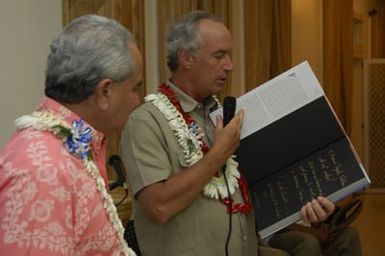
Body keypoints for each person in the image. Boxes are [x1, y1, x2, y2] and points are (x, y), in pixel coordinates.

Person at [121, 10, 334, 256]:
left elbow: (255, 194)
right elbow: (158, 206)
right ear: (186, 58)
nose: (230, 66)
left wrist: (304, 206)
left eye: (229, 55)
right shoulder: (146, 121)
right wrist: (218, 154)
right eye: (219, 56)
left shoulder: (224, 116)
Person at [0, 14, 143, 255]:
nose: (138, 100)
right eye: (135, 88)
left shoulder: (70, 148)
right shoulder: (43, 172)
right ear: (105, 92)